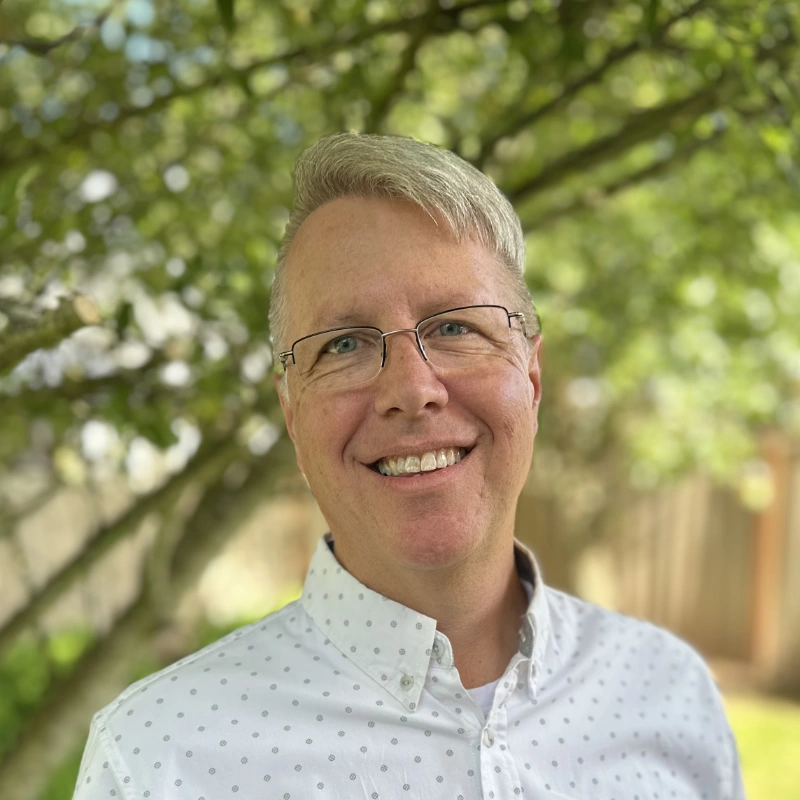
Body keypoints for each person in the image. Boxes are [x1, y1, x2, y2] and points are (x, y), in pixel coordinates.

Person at [73, 133, 745, 800]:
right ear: (291, 412)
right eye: (343, 344)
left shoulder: (669, 694)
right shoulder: (158, 757)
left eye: (455, 326)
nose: (411, 389)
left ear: (532, 379)